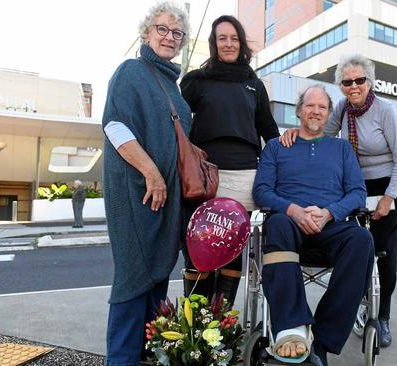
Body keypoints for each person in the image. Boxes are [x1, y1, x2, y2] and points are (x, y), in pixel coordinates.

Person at [280, 54, 397, 347]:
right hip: (354, 183)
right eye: (347, 81)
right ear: (341, 86)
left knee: (382, 251)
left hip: (389, 182)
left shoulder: (385, 111)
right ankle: (357, 303)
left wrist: (389, 199)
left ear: (369, 81)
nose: (354, 86)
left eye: (360, 80)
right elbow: (319, 134)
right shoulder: (341, 109)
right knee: (354, 245)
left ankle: (383, 316)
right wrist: (294, 131)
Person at [253, 85, 374, 366]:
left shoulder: (342, 149)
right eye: (310, 105)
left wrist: (329, 213)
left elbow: (357, 192)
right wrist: (294, 211)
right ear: (299, 110)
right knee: (278, 222)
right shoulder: (276, 147)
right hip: (289, 227)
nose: (316, 111)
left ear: (329, 113)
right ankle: (292, 328)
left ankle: (322, 340)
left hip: (330, 226)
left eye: (322, 107)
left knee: (361, 240)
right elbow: (262, 191)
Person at [101, 2, 190, 364]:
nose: (169, 37)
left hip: (166, 200)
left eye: (177, 33)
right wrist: (152, 173)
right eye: (162, 29)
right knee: (133, 278)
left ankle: (147, 357)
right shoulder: (131, 71)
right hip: (136, 194)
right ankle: (121, 358)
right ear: (146, 33)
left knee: (157, 278)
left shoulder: (175, 89)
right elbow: (114, 125)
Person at [179, 15, 280, 305]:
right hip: (204, 178)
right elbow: (176, 125)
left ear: (241, 44)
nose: (228, 43)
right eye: (222, 38)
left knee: (231, 252)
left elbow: (268, 130)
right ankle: (195, 328)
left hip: (245, 177)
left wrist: (286, 157)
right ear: (214, 43)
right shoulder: (197, 81)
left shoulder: (254, 84)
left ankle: (220, 328)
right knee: (197, 249)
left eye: (234, 38)